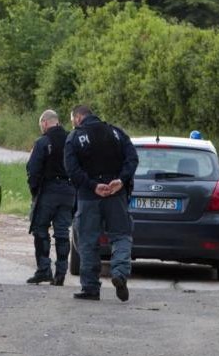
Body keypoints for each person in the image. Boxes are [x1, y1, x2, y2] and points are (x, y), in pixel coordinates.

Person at [63, 104, 138, 301]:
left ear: (79, 118)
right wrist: (121, 180)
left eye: (72, 120)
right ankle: (119, 273)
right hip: (116, 194)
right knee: (121, 235)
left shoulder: (74, 138)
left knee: (88, 241)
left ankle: (90, 288)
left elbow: (71, 169)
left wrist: (92, 185)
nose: (73, 124)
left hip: (89, 197)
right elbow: (132, 159)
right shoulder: (117, 133)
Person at [23, 109, 75, 286]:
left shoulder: (43, 141)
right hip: (69, 192)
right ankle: (60, 273)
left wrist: (34, 191)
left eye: (41, 125)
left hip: (49, 190)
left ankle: (44, 269)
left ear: (45, 123)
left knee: (40, 228)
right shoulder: (71, 139)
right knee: (62, 232)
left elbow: (33, 169)